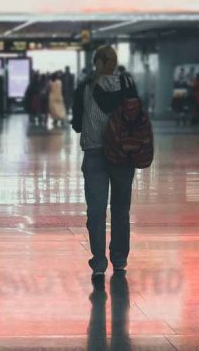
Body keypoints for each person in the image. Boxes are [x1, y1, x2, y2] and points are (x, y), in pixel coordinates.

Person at [71, 45, 137, 280]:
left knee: (97, 211)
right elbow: (136, 117)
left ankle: (99, 261)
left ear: (96, 62)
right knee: (121, 210)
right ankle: (119, 259)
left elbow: (77, 125)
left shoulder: (84, 88)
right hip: (123, 155)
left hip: (95, 154)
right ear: (114, 62)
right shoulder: (127, 85)